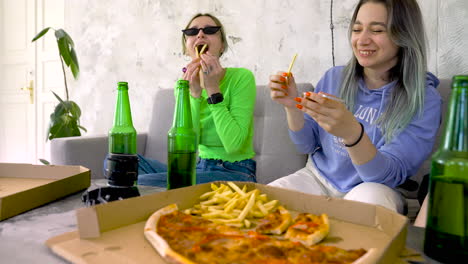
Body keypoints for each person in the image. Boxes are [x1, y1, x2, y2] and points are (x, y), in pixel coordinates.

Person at [268, 0, 442, 214]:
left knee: (364, 207)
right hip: (317, 178)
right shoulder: (335, 77)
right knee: (264, 204)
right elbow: (306, 145)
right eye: (357, 29)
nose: (362, 40)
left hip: (377, 189)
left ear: (404, 35)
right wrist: (291, 106)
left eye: (377, 30)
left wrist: (352, 134)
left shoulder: (424, 99)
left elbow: (385, 176)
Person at [137, 13, 257, 187]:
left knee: (137, 183)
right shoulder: (183, 86)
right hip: (199, 168)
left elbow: (233, 145)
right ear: (187, 48)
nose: (200, 35)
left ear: (222, 45)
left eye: (209, 30)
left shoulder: (241, 78)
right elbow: (187, 148)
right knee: (120, 163)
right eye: (192, 32)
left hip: (236, 172)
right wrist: (193, 94)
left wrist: (212, 89)